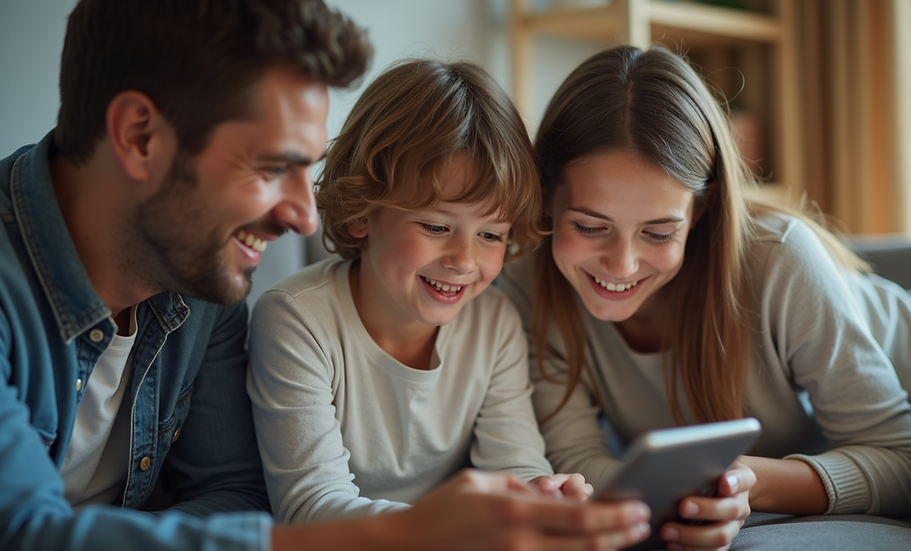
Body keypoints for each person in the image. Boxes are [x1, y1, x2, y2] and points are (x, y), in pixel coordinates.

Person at [0, 1, 652, 549]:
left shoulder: (204, 281)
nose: (305, 215)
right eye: (271, 166)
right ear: (140, 136)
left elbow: (231, 494)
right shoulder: (263, 297)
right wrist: (414, 532)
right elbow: (24, 530)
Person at [496, 43, 911, 548]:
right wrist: (689, 502)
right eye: (591, 226)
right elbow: (579, 460)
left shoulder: (779, 259)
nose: (622, 265)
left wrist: (744, 481)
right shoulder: (527, 292)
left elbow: (901, 462)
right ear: (548, 200)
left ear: (700, 213)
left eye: (659, 233)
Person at [247, 58, 594, 524]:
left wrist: (543, 493)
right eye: (435, 225)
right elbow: (309, 506)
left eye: (491, 235)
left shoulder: (496, 324)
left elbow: (515, 462)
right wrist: (447, 527)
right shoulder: (295, 319)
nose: (464, 260)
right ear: (361, 212)